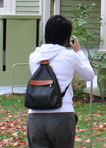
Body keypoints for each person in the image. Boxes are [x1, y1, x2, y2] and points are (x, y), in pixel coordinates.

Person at [27, 15, 95, 148]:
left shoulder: (34, 56)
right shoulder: (70, 55)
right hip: (62, 114)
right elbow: (89, 75)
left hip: (35, 115)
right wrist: (79, 52)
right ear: (66, 36)